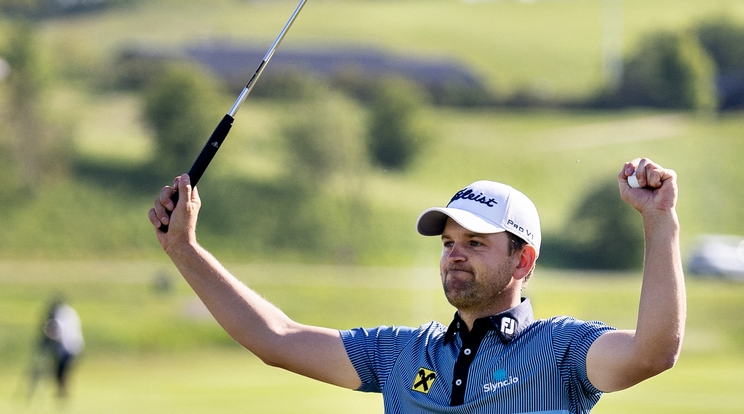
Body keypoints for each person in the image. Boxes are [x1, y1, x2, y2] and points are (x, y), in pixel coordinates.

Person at [148, 157, 685, 413]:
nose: (454, 254)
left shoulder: (562, 349)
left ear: (523, 261)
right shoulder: (404, 352)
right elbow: (278, 339)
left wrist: (659, 223)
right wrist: (185, 250)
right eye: (448, 242)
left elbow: (653, 351)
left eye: (476, 244)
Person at [31, 295, 84, 399]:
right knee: (61, 371)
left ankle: (62, 393)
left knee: (60, 372)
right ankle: (62, 392)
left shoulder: (59, 315)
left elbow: (56, 332)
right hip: (76, 346)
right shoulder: (70, 312)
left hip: (66, 347)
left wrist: (47, 338)